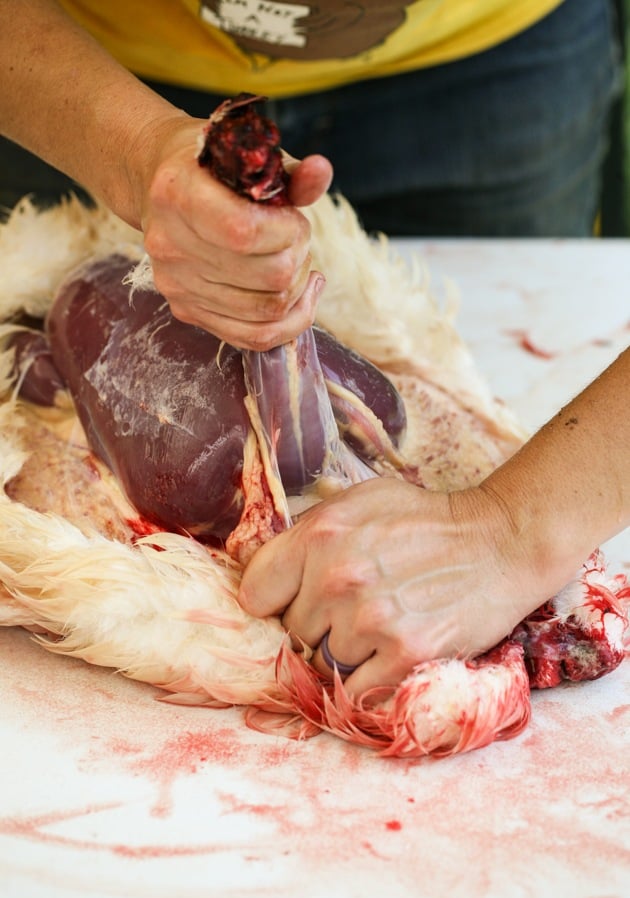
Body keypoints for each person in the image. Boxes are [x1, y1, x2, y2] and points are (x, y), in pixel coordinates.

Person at [1, 0, 628, 695]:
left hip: (487, 65)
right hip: (75, 55)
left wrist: (516, 526)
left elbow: (521, 524)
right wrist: (130, 146)